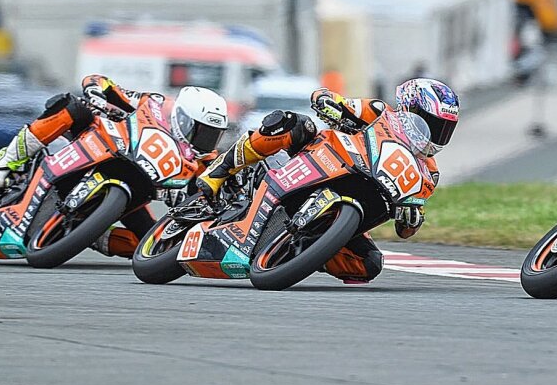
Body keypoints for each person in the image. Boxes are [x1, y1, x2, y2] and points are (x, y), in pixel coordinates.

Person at [196, 78, 460, 284]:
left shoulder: (429, 174)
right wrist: (328, 103)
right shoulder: (380, 112)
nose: (435, 134)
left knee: (368, 265)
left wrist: (413, 218)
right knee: (291, 124)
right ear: (408, 108)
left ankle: (305, 252)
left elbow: (405, 230)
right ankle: (220, 171)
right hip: (324, 158)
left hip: (356, 199)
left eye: (443, 129)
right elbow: (334, 101)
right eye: (431, 124)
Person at [0, 75, 228, 256]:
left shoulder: (203, 159)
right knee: (71, 106)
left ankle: (92, 234)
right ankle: (7, 161)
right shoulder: (152, 104)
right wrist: (95, 94)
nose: (207, 141)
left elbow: (206, 190)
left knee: (154, 243)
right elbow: (99, 81)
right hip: (103, 145)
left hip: (135, 188)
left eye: (214, 135)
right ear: (183, 118)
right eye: (203, 132)